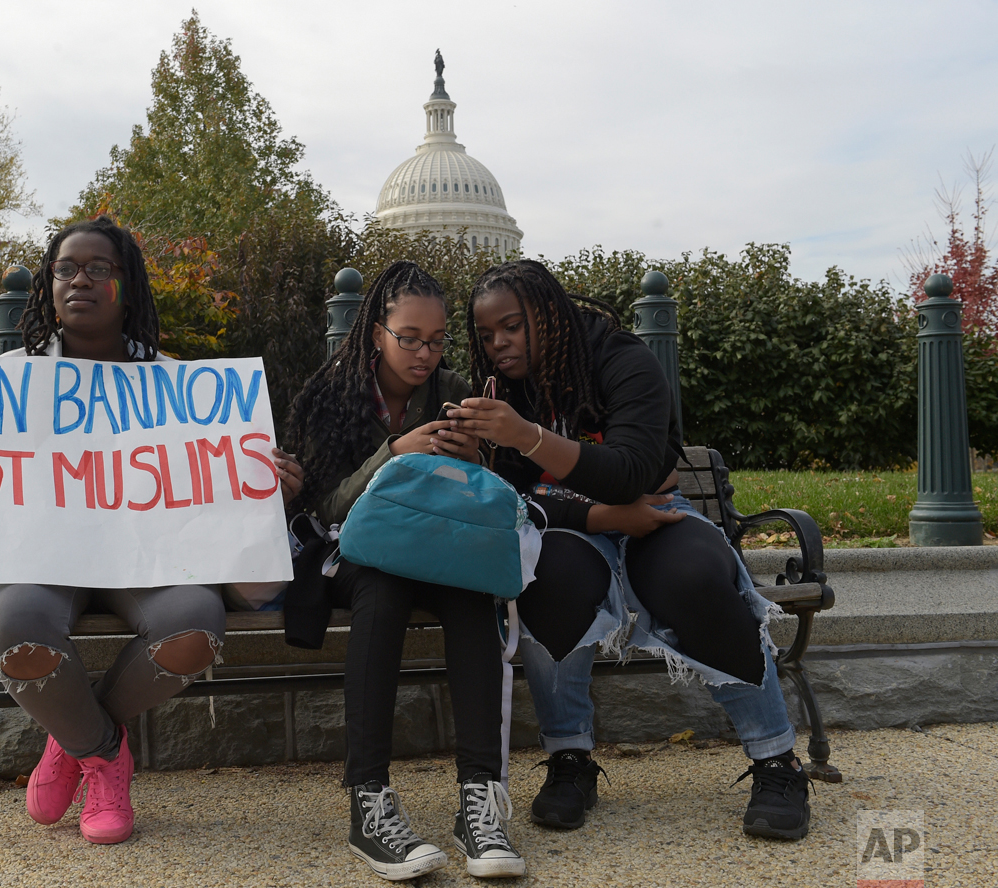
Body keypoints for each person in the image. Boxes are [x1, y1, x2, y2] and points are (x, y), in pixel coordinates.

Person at [0, 215, 303, 845]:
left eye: (99, 269)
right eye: (67, 268)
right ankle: (103, 754)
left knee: (194, 625)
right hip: (36, 562)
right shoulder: (4, 385)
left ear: (125, 284)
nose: (81, 280)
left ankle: (70, 737)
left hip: (146, 563)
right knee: (16, 625)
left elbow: (213, 487)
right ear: (49, 284)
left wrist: (269, 487)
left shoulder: (180, 387)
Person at [449, 259, 811, 841]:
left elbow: (633, 470)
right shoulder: (500, 390)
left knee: (692, 576)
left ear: (547, 315)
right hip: (578, 522)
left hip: (659, 511)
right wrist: (601, 514)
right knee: (542, 573)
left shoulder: (623, 361)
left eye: (512, 327)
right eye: (487, 334)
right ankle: (570, 759)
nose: (498, 344)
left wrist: (527, 436)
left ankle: (778, 761)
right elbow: (514, 495)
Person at [285, 260, 526, 880]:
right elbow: (323, 505)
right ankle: (369, 802)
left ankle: (479, 802)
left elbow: (480, 496)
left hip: (440, 543)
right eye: (409, 338)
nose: (425, 353)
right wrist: (394, 454)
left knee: (473, 593)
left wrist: (472, 461)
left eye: (437, 339)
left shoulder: (454, 388)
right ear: (375, 334)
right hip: (355, 553)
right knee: (384, 591)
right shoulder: (329, 395)